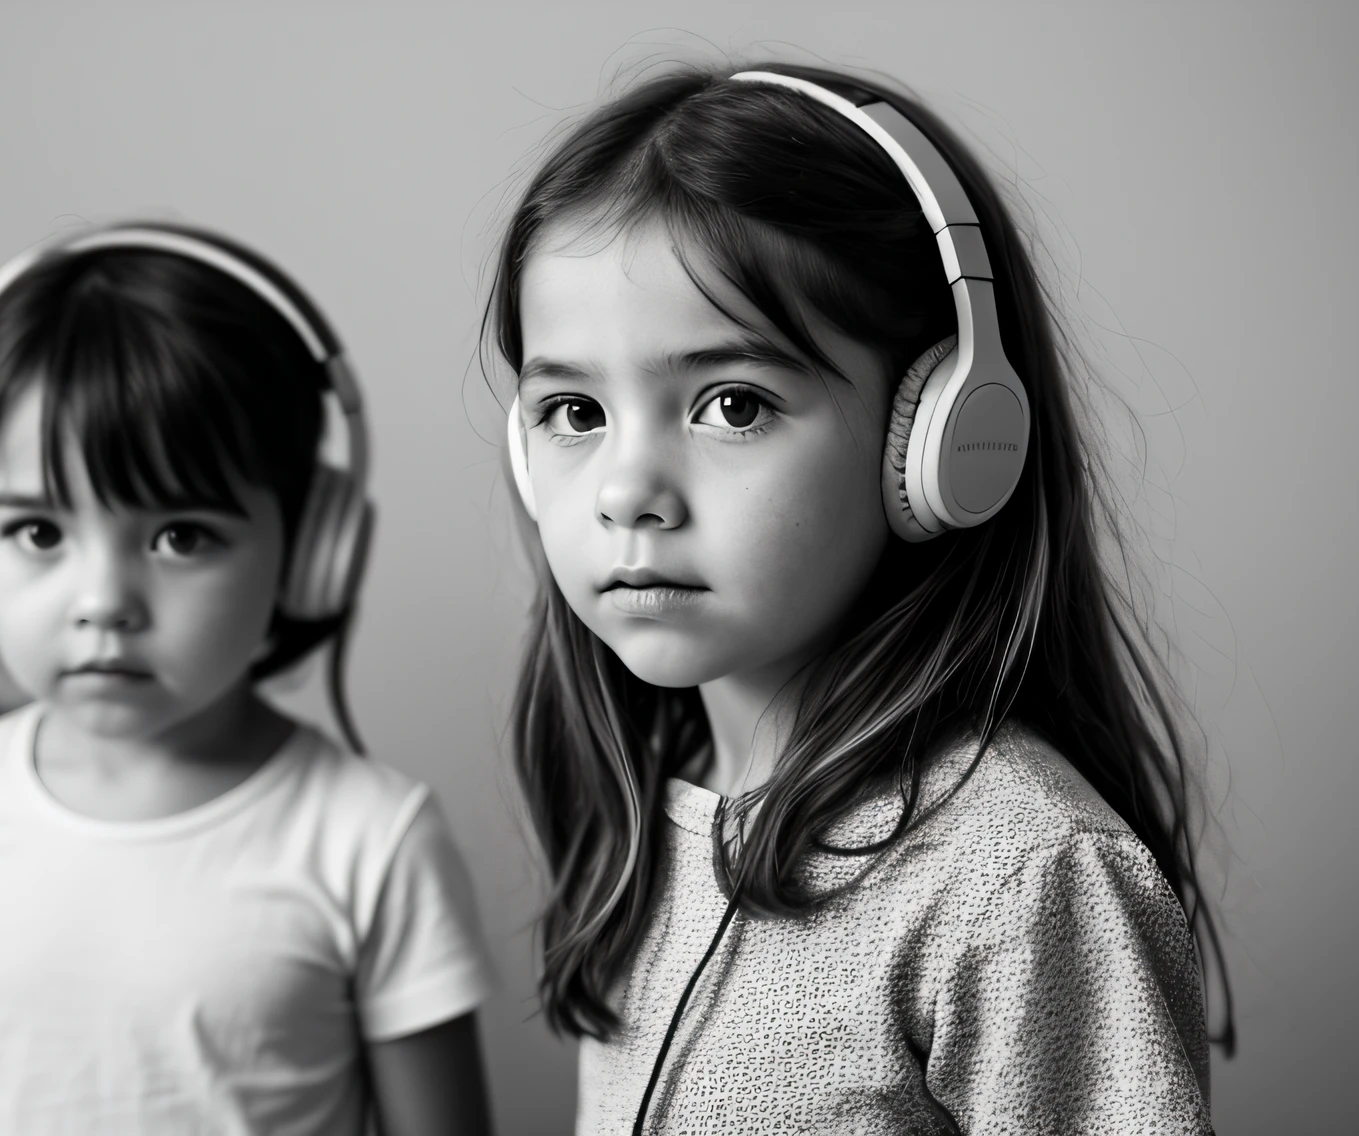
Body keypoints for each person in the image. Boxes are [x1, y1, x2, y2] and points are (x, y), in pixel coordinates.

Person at [491, 64, 1228, 1134]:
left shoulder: (1019, 877)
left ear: (938, 439)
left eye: (730, 404)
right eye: (570, 409)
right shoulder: (654, 804)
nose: (624, 492)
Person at [0, 223, 495, 1135]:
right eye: (38, 532)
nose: (103, 603)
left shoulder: (373, 842)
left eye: (180, 536)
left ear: (310, 550)